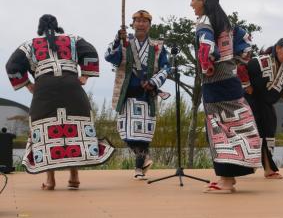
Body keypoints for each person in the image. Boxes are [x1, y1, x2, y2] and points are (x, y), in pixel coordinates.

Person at [5, 14, 114, 190]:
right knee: (74, 130)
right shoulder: (74, 39)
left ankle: (50, 180)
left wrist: (28, 85)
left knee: (46, 131)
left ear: (39, 27)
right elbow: (91, 51)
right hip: (72, 87)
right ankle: (74, 176)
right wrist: (85, 76)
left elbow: (12, 65)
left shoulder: (29, 45)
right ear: (57, 26)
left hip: (44, 90)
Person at [191, 0, 261, 193]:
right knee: (236, 126)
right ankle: (227, 177)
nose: (191, 4)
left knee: (219, 130)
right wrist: (232, 62)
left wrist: (208, 64)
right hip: (231, 81)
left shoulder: (205, 21)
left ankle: (226, 180)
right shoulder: (227, 24)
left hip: (214, 84)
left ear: (203, 0)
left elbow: (206, 47)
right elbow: (246, 49)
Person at [105, 10, 170, 180]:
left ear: (149, 25)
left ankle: (139, 169)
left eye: (144, 21)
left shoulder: (158, 46)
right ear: (132, 24)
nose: (141, 24)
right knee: (124, 131)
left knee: (143, 134)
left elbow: (166, 67)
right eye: (137, 21)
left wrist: (154, 81)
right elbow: (111, 58)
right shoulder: (124, 42)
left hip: (146, 95)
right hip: (125, 95)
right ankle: (145, 159)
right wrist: (118, 40)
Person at [245, 38, 283, 179]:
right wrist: (247, 86)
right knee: (249, 135)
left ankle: (268, 169)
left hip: (267, 106)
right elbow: (241, 69)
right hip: (251, 103)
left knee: (268, 135)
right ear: (277, 48)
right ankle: (238, 168)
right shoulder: (260, 61)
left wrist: (281, 96)